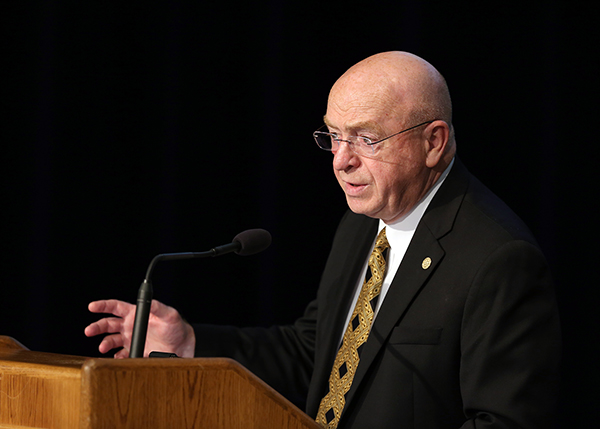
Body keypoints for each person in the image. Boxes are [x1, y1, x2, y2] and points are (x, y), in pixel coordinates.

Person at [85, 51, 561, 428]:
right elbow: (318, 355)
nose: (340, 161)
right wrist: (191, 343)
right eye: (333, 135)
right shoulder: (361, 221)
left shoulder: (498, 259)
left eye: (366, 139)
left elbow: (504, 422)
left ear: (433, 142)